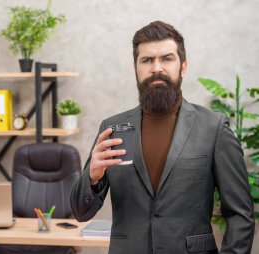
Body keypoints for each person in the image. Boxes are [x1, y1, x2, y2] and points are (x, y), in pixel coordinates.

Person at [70, 21, 255, 254]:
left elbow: (241, 216)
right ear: (135, 67)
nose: (156, 68)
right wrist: (92, 177)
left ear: (183, 66)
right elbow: (80, 212)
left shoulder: (214, 128)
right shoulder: (112, 128)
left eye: (167, 58)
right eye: (146, 60)